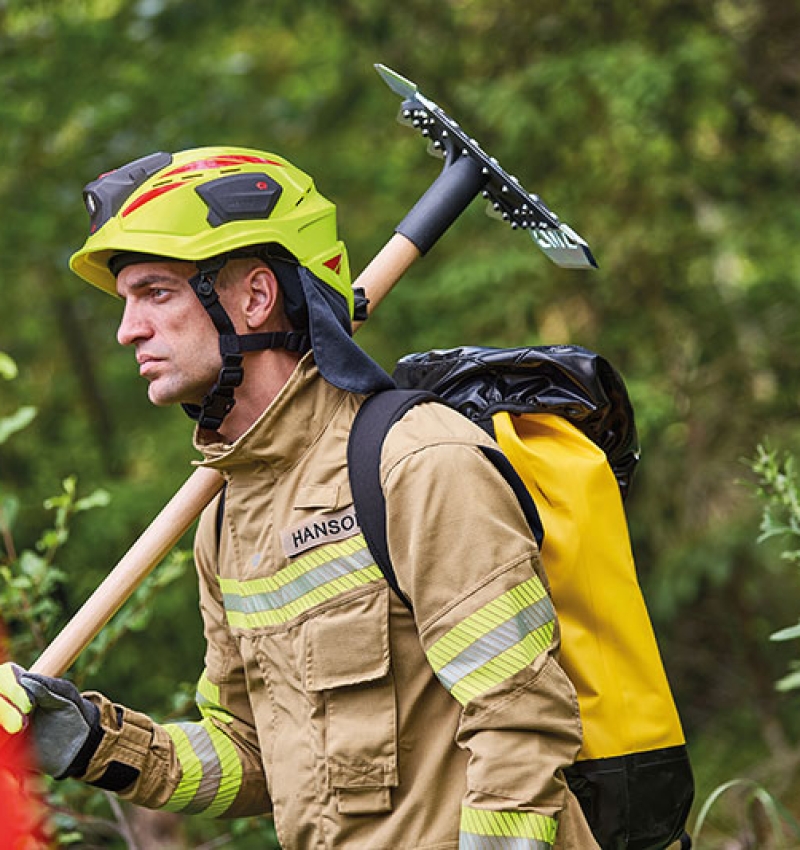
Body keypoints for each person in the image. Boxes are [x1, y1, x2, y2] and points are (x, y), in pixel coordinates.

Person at [0, 147, 600, 850]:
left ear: (255, 298)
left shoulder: (418, 463)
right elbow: (253, 756)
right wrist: (93, 742)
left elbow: (522, 724)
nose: (127, 328)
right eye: (129, 300)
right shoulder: (224, 519)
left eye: (155, 293)